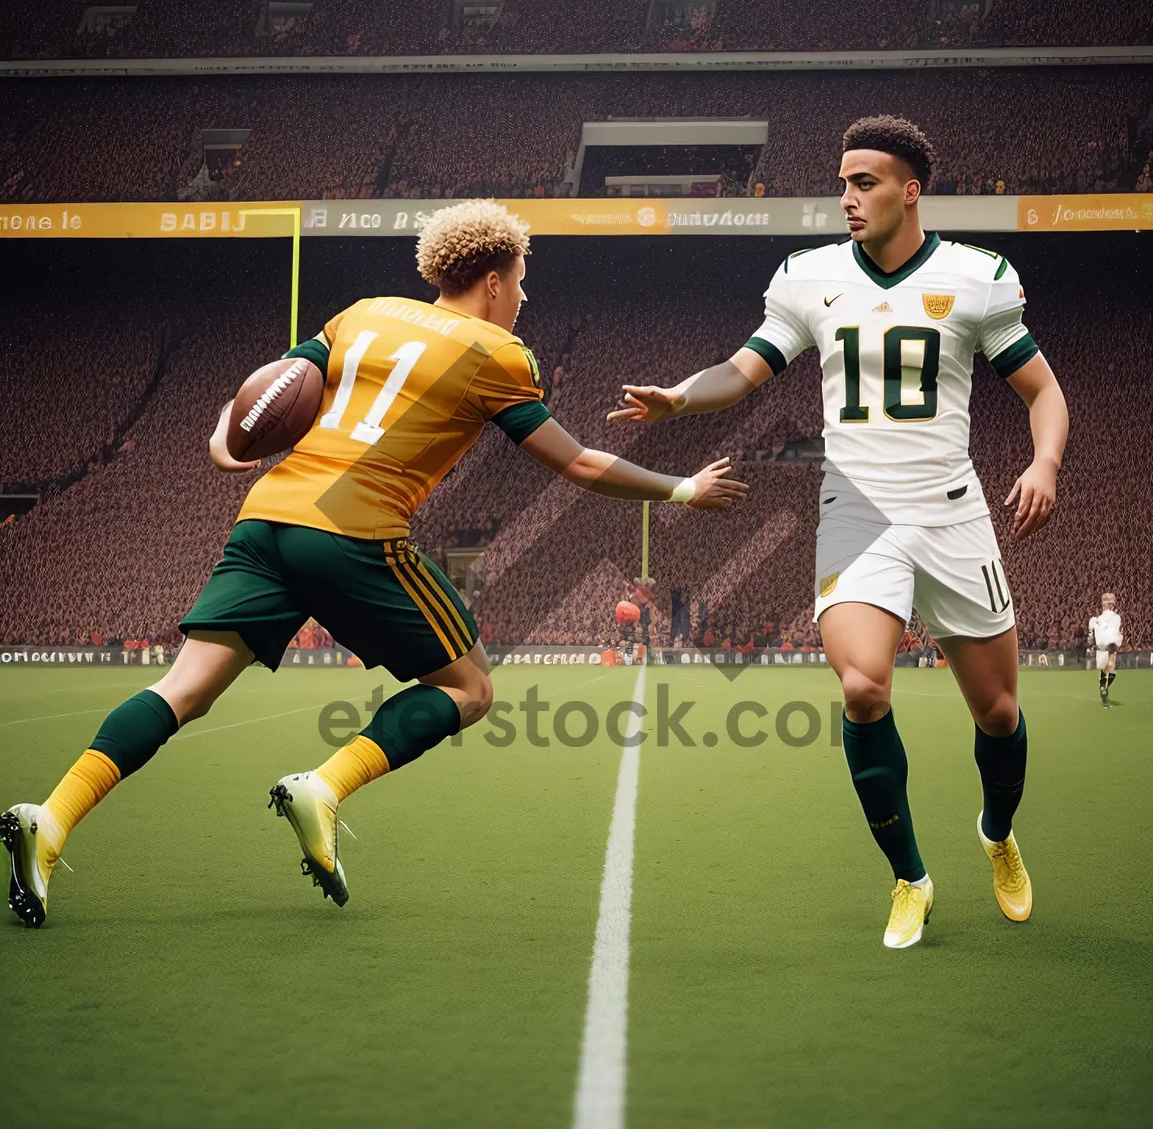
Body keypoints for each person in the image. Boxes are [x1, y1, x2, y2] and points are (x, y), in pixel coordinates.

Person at [2, 200, 747, 929]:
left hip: (268, 515)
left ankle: (53, 817)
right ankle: (324, 786)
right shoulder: (499, 353)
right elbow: (579, 463)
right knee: (470, 686)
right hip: (355, 530)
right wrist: (682, 488)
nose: (523, 295)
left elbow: (259, 399)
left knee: (184, 688)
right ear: (491, 280)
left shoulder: (361, 314)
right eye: (520, 280)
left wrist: (224, 447)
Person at [608, 115, 1068, 948]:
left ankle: (996, 834)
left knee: (999, 713)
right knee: (862, 688)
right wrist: (680, 396)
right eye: (843, 181)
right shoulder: (809, 276)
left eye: (865, 182)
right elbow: (744, 370)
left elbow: (1043, 391)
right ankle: (910, 878)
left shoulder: (977, 277)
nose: (847, 197)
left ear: (909, 190)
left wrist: (1044, 464)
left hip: (953, 510)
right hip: (856, 509)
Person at [1087, 593, 1123, 706]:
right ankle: (1104, 690)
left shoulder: (1096, 620)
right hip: (1110, 647)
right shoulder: (1116, 618)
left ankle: (1104, 690)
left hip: (1101, 648)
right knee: (1111, 670)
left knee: (1104, 671)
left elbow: (1090, 638)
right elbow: (1117, 633)